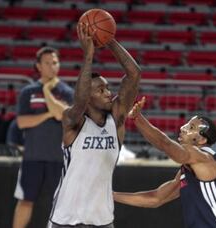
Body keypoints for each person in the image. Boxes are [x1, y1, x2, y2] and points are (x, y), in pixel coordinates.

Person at [48, 22, 141, 228]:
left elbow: (134, 74)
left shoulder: (116, 119)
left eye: (108, 88)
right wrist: (88, 55)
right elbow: (79, 101)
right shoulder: (72, 121)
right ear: (88, 96)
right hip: (66, 219)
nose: (108, 93)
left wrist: (108, 39)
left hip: (102, 220)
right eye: (100, 90)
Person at [113, 97, 216, 228]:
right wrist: (111, 195)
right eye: (186, 124)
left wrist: (137, 118)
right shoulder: (189, 169)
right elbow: (156, 198)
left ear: (202, 140)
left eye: (191, 127)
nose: (183, 128)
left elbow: (165, 144)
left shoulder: (204, 158)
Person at [13, 46, 74, 228]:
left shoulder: (67, 92)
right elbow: (23, 122)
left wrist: (47, 91)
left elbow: (62, 115)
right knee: (25, 200)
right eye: (47, 63)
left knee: (62, 204)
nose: (52, 66)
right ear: (38, 66)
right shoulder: (28, 92)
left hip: (59, 158)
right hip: (33, 157)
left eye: (55, 62)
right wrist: (48, 114)